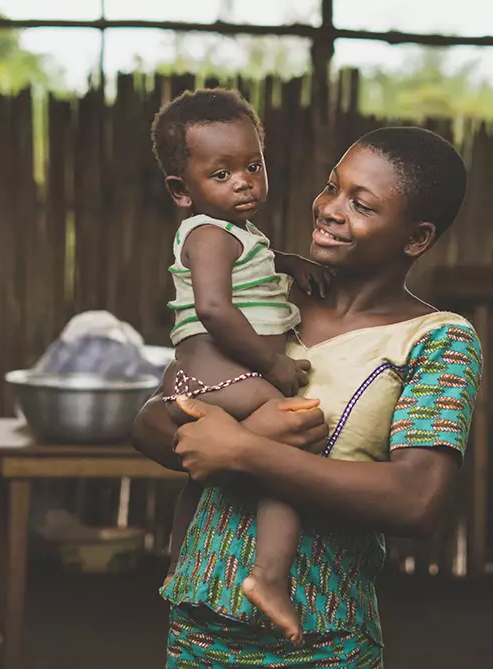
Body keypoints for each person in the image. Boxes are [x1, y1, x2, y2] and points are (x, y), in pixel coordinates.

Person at [132, 125, 483, 668]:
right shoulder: (262, 294)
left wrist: (245, 451)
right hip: (198, 627)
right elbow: (153, 419)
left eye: (361, 205)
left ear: (416, 238)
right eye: (331, 187)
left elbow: (416, 500)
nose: (330, 209)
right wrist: (233, 439)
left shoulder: (438, 340)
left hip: (324, 639)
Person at [150, 88, 333, 643]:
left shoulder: (237, 236)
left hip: (207, 379)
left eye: (253, 165)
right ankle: (271, 578)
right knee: (289, 446)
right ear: (182, 190)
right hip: (225, 377)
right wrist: (270, 365)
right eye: (222, 173)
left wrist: (289, 262)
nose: (244, 181)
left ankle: (181, 564)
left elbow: (249, 264)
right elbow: (213, 307)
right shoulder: (208, 235)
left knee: (204, 480)